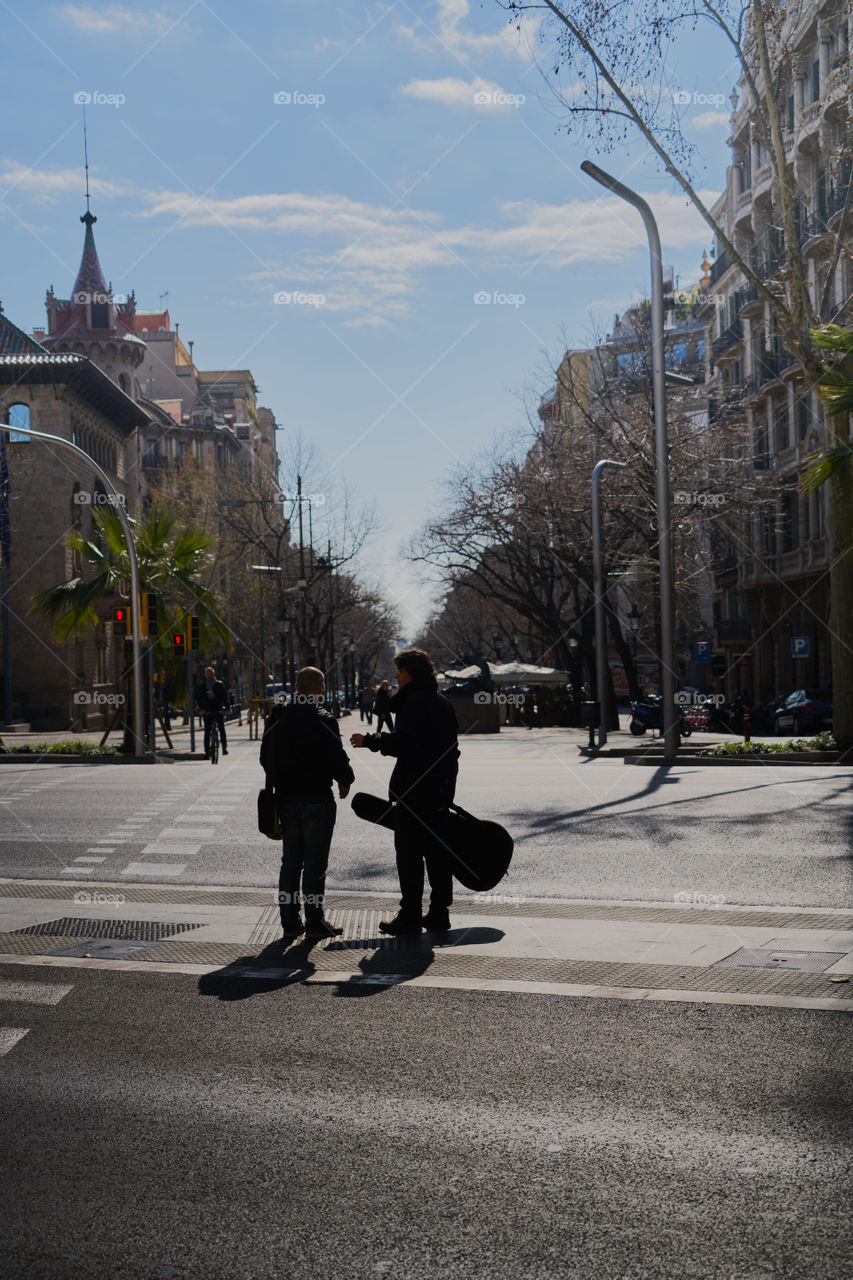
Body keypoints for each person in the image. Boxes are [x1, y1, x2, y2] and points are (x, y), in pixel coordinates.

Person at [351, 648, 459, 935]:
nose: (396, 676)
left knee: (409, 855)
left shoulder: (414, 704)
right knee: (437, 854)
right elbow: (452, 754)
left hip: (414, 791)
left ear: (410, 673)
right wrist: (447, 790)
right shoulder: (441, 702)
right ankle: (439, 913)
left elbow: (405, 745)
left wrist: (370, 741)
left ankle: (410, 915)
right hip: (437, 792)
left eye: (400, 671)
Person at [261, 667, 354, 942]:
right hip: (317, 798)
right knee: (315, 863)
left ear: (297, 687)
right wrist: (345, 779)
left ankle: (290, 922)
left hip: (286, 797)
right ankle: (315, 920)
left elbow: (265, 756)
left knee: (290, 862)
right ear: (321, 688)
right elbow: (336, 755)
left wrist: (279, 779)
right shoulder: (323, 718)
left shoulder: (278, 715)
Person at [197, 666, 228, 757]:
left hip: (218, 709)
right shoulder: (202, 685)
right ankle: (207, 752)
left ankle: (224, 747)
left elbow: (225, 698)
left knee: (221, 729)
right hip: (207, 711)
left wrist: (228, 708)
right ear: (205, 675)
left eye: (210, 674)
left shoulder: (219, 684)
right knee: (207, 731)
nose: (209, 676)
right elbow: (199, 698)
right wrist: (201, 709)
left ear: (213, 674)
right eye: (207, 674)